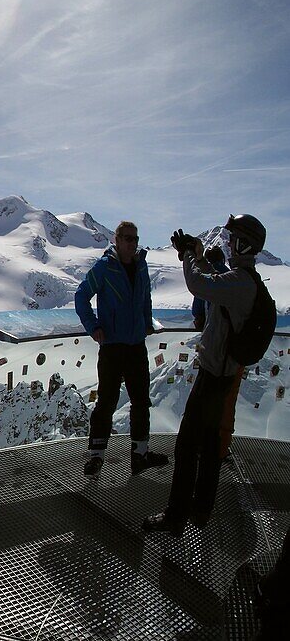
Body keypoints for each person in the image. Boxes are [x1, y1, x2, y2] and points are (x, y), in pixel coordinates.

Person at [144, 214, 268, 536]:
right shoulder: (242, 280)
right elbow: (214, 281)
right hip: (222, 374)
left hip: (214, 376)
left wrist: (189, 257)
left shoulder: (240, 283)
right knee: (210, 446)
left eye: (232, 239)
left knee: (186, 447)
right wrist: (197, 255)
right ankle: (201, 511)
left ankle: (175, 517)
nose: (227, 243)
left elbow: (199, 284)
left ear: (244, 244)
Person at [75, 221, 168, 477]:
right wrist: (92, 326)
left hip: (136, 346)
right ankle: (96, 458)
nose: (131, 243)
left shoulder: (141, 265)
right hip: (112, 346)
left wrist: (147, 322)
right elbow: (81, 295)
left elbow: (146, 295)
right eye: (127, 238)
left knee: (140, 402)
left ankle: (140, 456)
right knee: (106, 403)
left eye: (135, 238)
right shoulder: (105, 267)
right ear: (116, 239)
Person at [191, 245, 245, 460]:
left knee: (204, 401)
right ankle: (221, 449)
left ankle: (200, 446)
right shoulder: (235, 279)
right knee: (226, 403)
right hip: (233, 354)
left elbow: (197, 310)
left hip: (212, 354)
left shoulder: (209, 281)